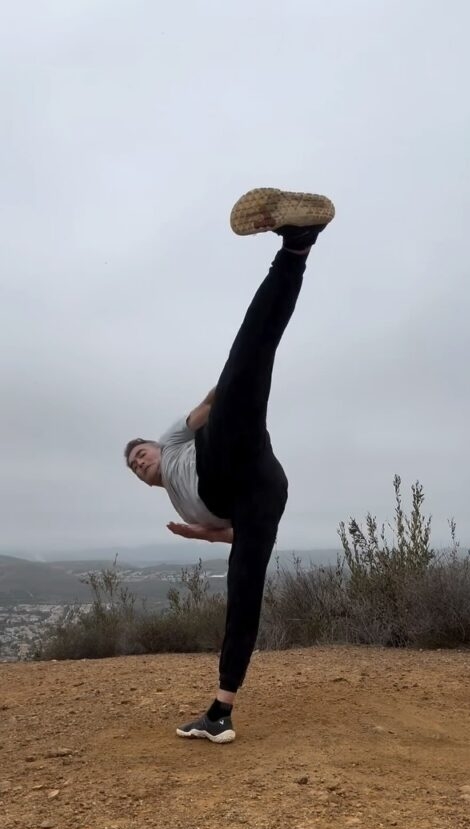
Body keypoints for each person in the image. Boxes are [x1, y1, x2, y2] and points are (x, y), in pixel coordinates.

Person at [124, 187, 335, 743]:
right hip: (260, 492)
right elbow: (233, 534)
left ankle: (297, 246)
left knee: (251, 352)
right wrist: (204, 536)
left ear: (154, 447)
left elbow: (206, 406)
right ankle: (221, 713)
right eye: (135, 467)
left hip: (228, 453)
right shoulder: (177, 501)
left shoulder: (173, 444)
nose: (141, 463)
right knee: (244, 588)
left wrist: (238, 380)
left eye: (139, 453)